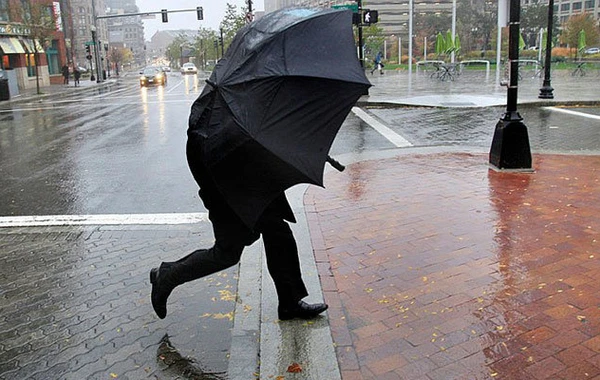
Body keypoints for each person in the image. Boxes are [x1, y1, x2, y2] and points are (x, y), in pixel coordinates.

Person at [149, 111, 328, 321]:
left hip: (256, 184)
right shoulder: (210, 118)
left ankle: (289, 302)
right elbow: (206, 160)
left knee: (279, 234)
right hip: (228, 193)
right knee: (226, 254)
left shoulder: (250, 102)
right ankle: (167, 276)